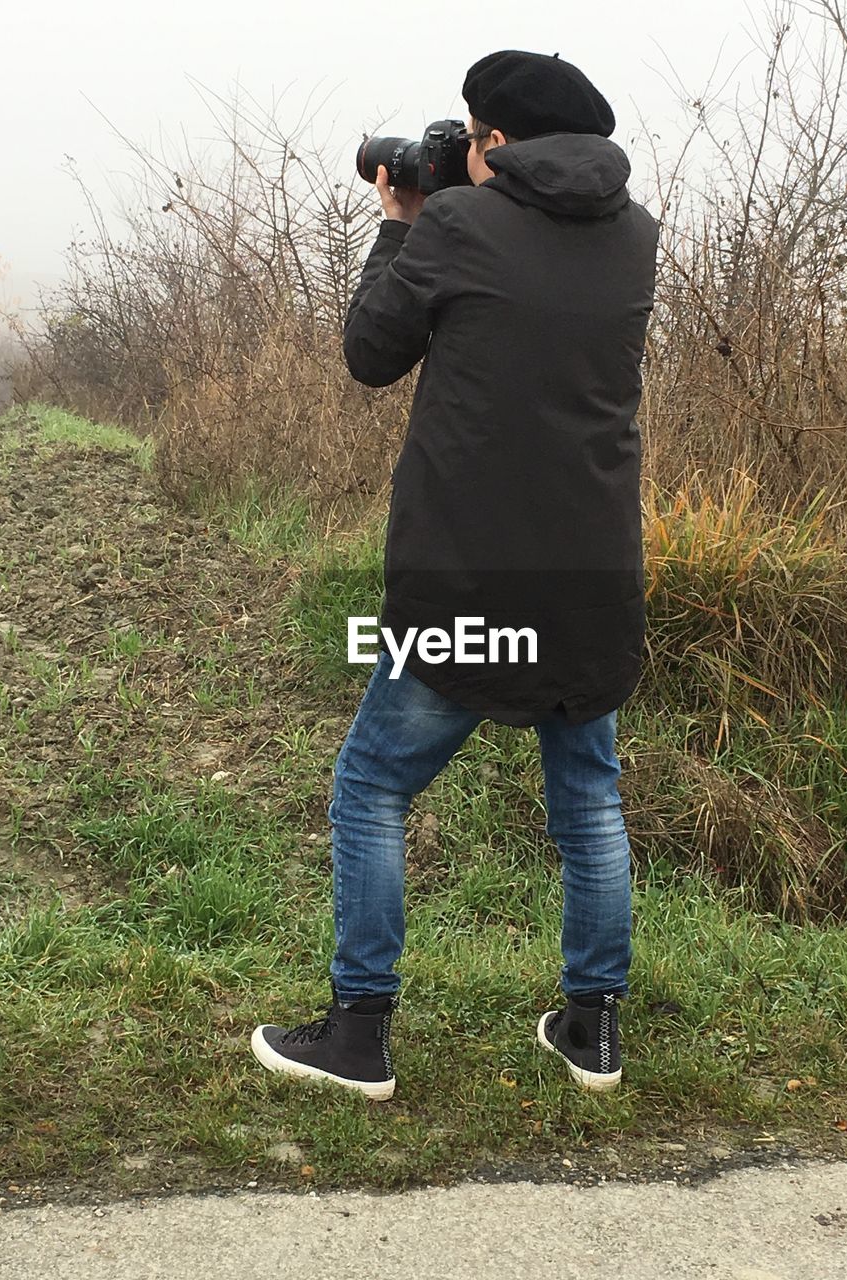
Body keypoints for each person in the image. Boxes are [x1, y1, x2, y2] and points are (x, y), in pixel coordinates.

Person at [251, 49, 659, 1101]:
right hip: (593, 578)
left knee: (372, 783)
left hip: (472, 579)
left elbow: (370, 352)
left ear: (500, 145)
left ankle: (358, 1031)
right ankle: (590, 1027)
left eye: (475, 135)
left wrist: (400, 218)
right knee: (588, 801)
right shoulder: (634, 238)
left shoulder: (458, 226)